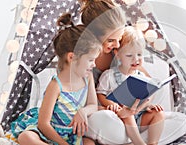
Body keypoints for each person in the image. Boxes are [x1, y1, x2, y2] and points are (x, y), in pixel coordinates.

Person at [9, 13, 100, 145]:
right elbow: (43, 124)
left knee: (90, 143)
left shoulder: (88, 77)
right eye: (91, 60)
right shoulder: (56, 85)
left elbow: (93, 105)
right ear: (72, 58)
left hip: (71, 135)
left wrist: (83, 111)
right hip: (49, 133)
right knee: (26, 137)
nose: (95, 64)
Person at [97, 26, 165, 145]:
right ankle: (139, 142)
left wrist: (148, 106)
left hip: (138, 117)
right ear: (117, 54)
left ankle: (153, 143)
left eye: (139, 54)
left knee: (159, 114)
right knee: (127, 111)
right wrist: (111, 104)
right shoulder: (109, 75)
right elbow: (100, 94)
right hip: (120, 118)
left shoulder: (142, 77)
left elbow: (144, 99)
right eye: (129, 56)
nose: (136, 59)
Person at [80, 0, 150, 88]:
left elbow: (144, 77)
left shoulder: (120, 49)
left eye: (119, 38)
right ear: (93, 36)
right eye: (110, 40)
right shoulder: (84, 60)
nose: (117, 45)